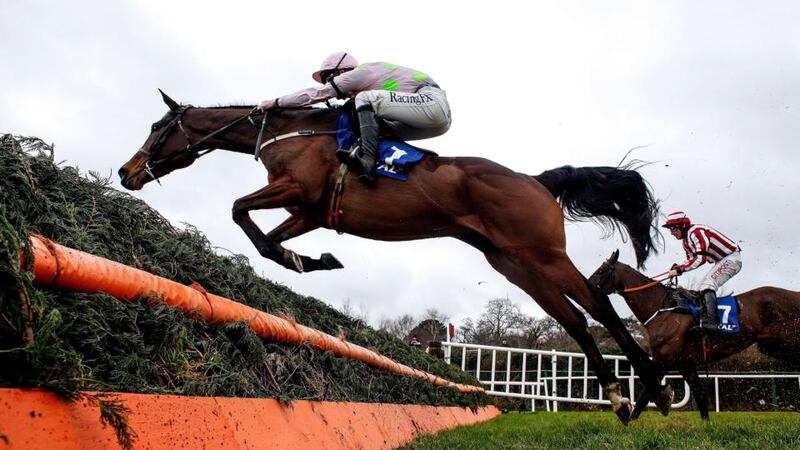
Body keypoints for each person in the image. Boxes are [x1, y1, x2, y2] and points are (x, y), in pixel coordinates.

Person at [259, 52, 452, 183]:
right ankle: (387, 167)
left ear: (342, 70)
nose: (329, 81)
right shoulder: (366, 81)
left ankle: (367, 160)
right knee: (369, 123)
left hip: (430, 103)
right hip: (432, 120)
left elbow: (318, 93)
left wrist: (276, 102)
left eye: (330, 76)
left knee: (364, 98)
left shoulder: (360, 73)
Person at [663, 211, 742, 332]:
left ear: (682, 226)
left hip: (731, 258)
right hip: (722, 261)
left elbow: (700, 258)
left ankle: (711, 323)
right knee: (701, 287)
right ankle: (705, 318)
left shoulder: (696, 232)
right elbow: (691, 260)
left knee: (707, 285)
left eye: (673, 229)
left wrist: (680, 269)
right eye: (670, 230)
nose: (672, 233)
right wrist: (678, 267)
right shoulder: (686, 242)